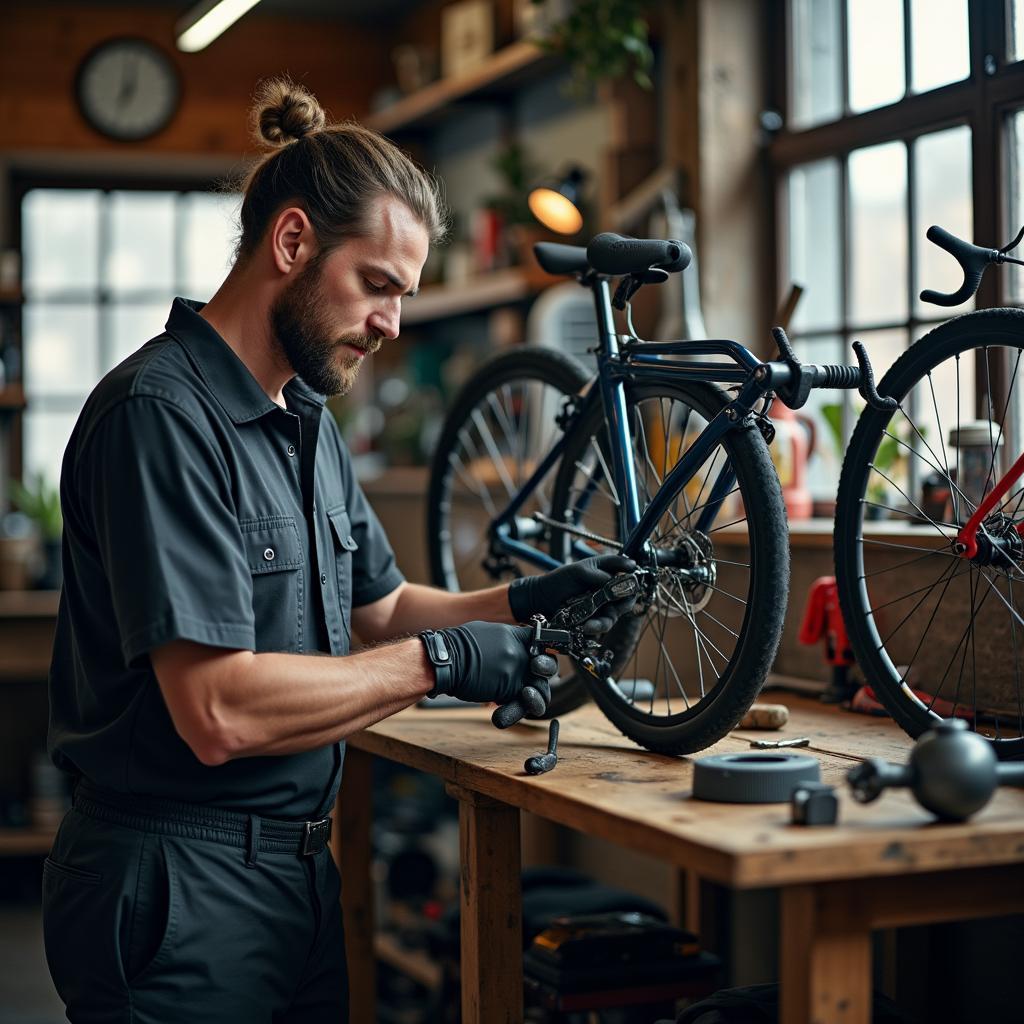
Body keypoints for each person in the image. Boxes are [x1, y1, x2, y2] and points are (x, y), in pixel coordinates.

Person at [41, 79, 636, 1024]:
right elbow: (217, 710)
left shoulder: (306, 423)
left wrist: (523, 606)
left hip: (299, 879)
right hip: (176, 882)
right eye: (378, 286)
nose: (392, 325)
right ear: (292, 243)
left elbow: (384, 609)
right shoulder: (162, 418)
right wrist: (440, 664)